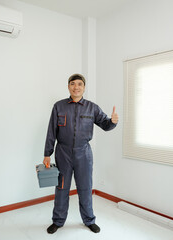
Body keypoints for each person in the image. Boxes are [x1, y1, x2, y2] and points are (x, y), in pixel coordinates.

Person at [43, 73, 118, 234]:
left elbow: (105, 125)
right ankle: (58, 221)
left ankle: (89, 220)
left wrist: (112, 122)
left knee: (85, 187)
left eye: (79, 84)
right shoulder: (59, 106)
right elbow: (51, 131)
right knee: (61, 188)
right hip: (63, 152)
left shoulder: (92, 108)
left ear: (84, 87)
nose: (76, 87)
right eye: (72, 84)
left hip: (83, 153)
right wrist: (47, 154)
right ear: (68, 86)